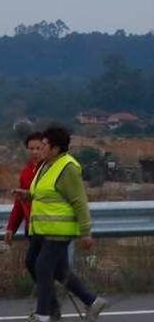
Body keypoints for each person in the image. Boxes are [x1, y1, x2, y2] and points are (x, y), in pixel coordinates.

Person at [14, 125, 108, 322]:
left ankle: (44, 314)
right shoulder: (46, 164)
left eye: (45, 144)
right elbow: (47, 192)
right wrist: (28, 195)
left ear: (55, 148)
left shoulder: (68, 167)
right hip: (41, 228)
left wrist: (85, 231)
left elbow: (79, 200)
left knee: (43, 266)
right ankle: (91, 300)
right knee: (44, 265)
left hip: (58, 229)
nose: (41, 147)